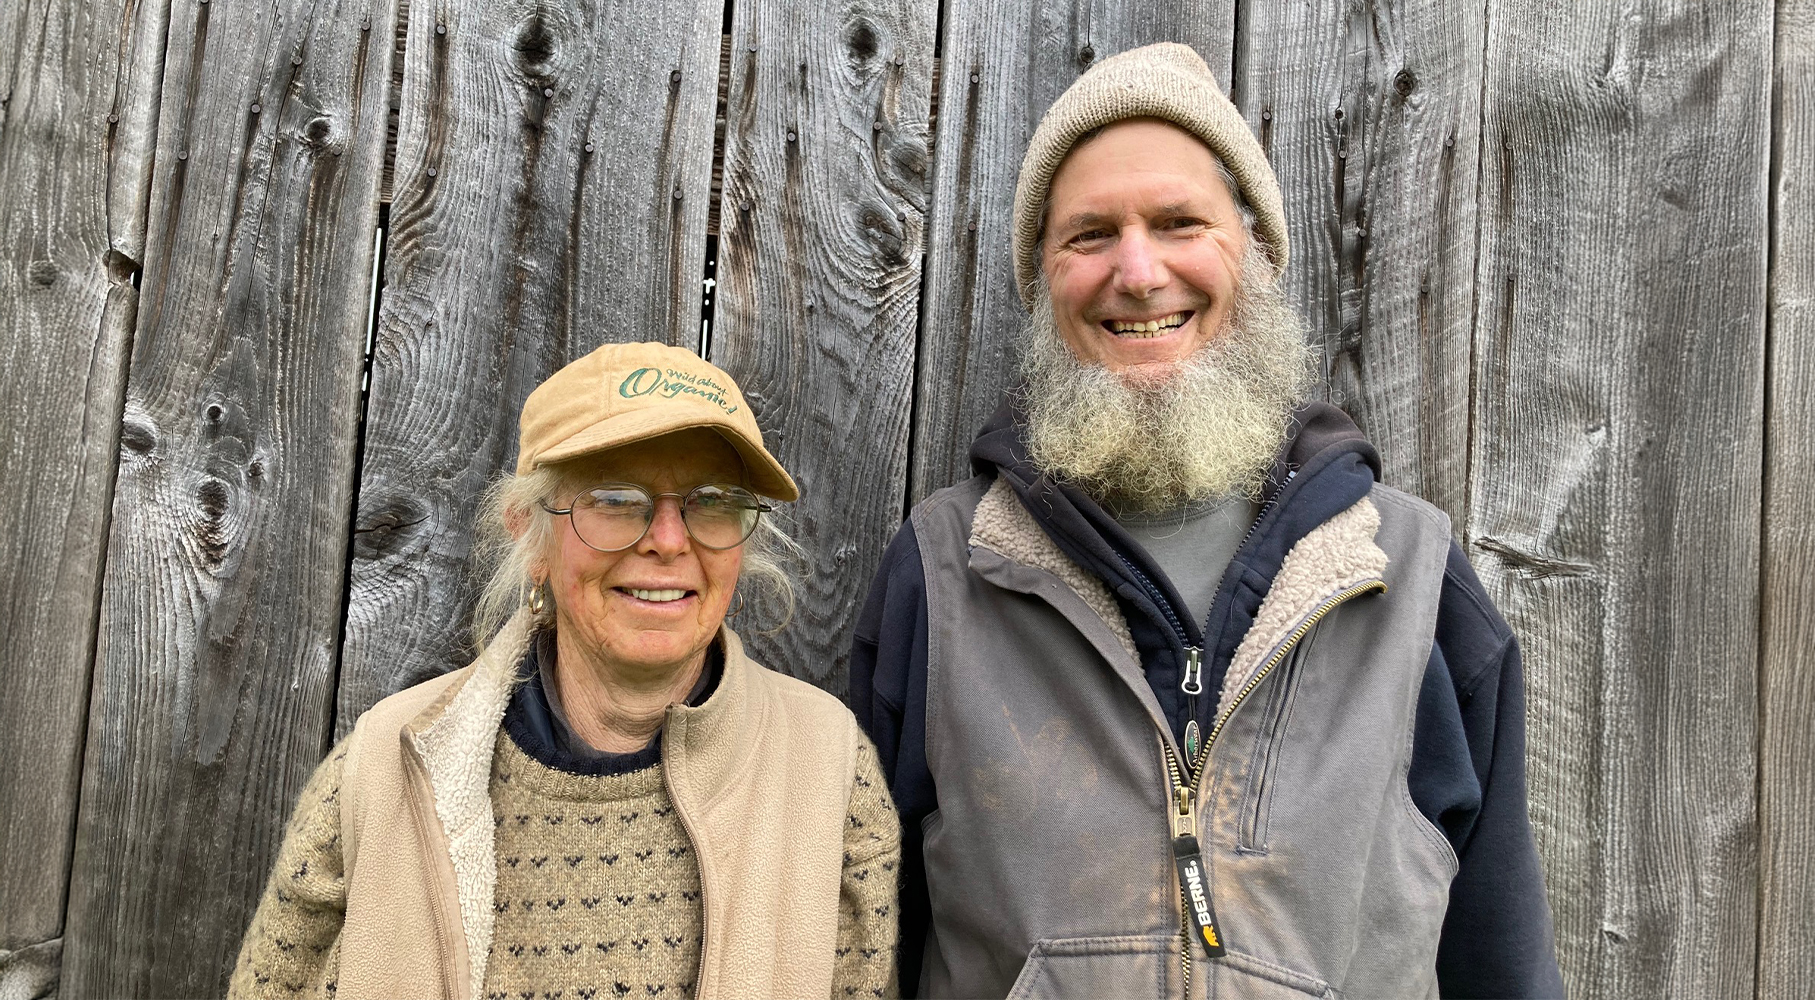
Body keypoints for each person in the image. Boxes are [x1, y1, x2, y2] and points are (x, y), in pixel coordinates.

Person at [849, 42, 1565, 999]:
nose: (1138, 272)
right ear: (1040, 283)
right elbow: (856, 949)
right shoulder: (944, 571)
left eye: (1179, 222)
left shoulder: (1407, 577)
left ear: (1257, 257)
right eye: (1088, 235)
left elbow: (1500, 958)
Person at [232, 342, 900, 1000]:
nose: (668, 541)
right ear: (531, 535)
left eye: (712, 500)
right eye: (614, 499)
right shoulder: (382, 770)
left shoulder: (827, 767)